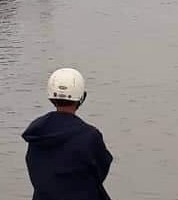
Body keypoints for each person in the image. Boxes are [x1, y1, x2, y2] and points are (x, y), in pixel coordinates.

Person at [22, 68, 113, 200]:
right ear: (82, 97)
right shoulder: (90, 136)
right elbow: (101, 170)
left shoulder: (36, 132)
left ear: (51, 96)